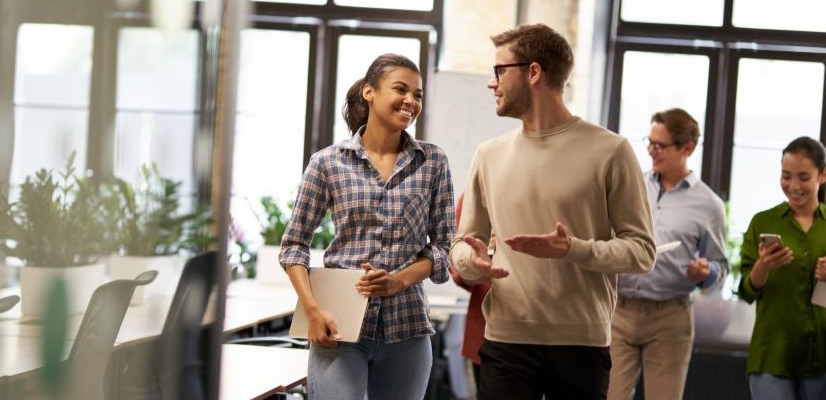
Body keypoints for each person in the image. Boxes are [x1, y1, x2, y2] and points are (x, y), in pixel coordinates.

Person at [449, 23, 656, 400]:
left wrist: (572, 249)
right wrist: (470, 261)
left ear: (533, 72)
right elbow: (463, 245)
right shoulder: (488, 154)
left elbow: (642, 252)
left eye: (499, 71)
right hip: (505, 342)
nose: (491, 83)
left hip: (581, 344)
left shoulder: (611, 151)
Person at [279, 53, 455, 400]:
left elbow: (445, 247)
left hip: (407, 328)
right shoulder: (327, 162)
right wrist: (313, 310)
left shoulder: (432, 161)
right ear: (369, 92)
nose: (411, 101)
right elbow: (293, 245)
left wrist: (398, 280)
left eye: (418, 95)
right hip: (338, 326)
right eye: (401, 89)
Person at [607, 108, 728, 400]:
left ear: (688, 148)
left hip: (670, 317)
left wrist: (705, 272)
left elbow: (719, 267)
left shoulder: (709, 204)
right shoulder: (630, 186)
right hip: (619, 311)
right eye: (649, 142)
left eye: (660, 145)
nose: (651, 151)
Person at [738, 136, 826, 400]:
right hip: (772, 355)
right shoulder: (763, 222)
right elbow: (745, 292)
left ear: (822, 176)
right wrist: (762, 266)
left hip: (821, 357)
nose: (793, 186)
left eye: (803, 177)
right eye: (786, 176)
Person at [449, 192, 492, 390]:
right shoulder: (474, 197)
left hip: (562, 336)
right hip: (487, 337)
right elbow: (458, 274)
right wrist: (476, 260)